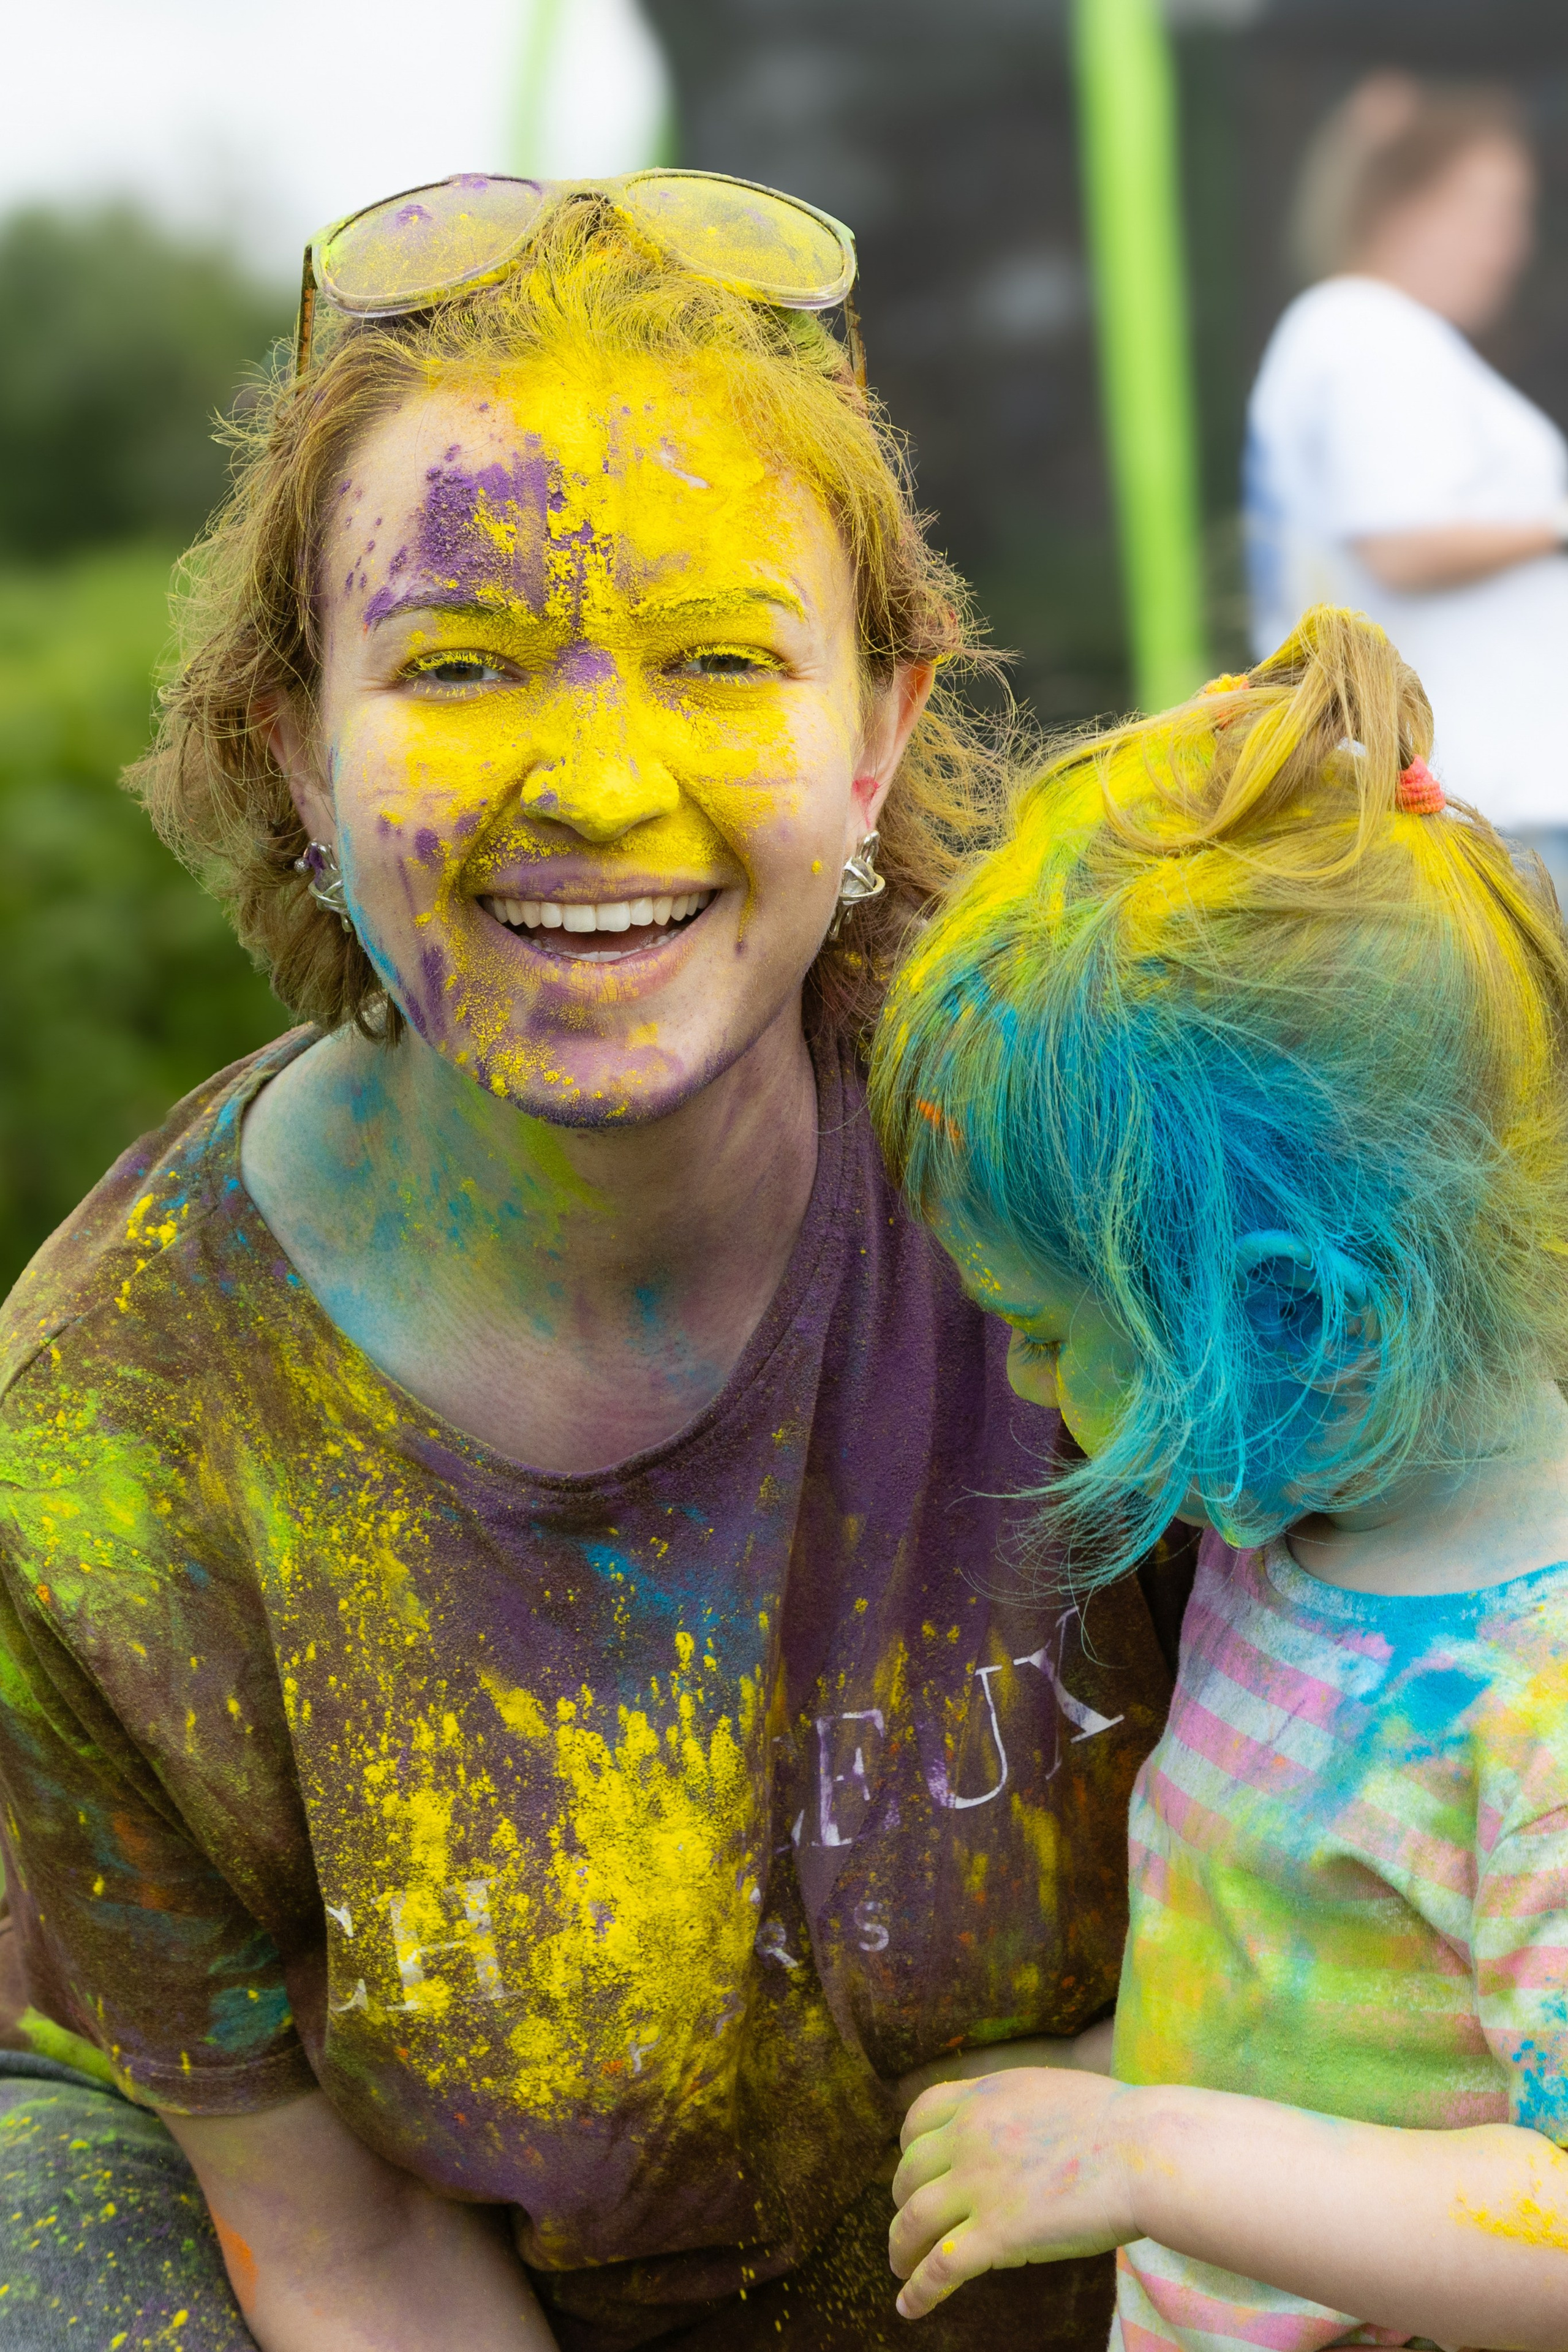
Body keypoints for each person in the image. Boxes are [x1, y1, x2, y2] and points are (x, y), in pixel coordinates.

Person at [0, 175, 1193, 2352]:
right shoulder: (107, 1446)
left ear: (881, 734)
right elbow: (342, 2242)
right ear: (294, 746)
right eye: (454, 666)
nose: (598, 781)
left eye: (718, 656)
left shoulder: (1130, 1183)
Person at [869, 607, 1568, 2348]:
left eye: (1044, 1333)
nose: (1023, 1388)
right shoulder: (1306, 1532)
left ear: (1295, 1321)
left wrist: (1149, 2149)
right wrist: (1117, 2084)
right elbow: (1331, 2004)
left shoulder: (1536, 1712)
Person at [1246, 76, 1568, 895]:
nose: (1509, 244)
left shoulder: (1351, 332)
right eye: (1488, 211)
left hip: (1462, 809)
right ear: (1398, 206)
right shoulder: (1368, 333)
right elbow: (1401, 539)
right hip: (1480, 818)